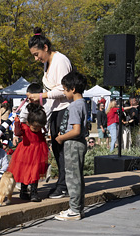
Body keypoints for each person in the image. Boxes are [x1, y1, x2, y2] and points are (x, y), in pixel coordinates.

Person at [27, 27, 72, 199]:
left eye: (37, 54)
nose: (36, 58)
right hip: (55, 110)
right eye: (34, 55)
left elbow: (65, 89)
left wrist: (42, 95)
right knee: (57, 148)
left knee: (61, 148)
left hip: (65, 109)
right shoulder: (47, 62)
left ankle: (64, 185)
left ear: (45, 47)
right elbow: (50, 91)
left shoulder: (60, 61)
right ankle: (62, 183)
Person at [54, 70, 87, 221]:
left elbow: (76, 130)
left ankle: (74, 210)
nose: (64, 93)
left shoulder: (74, 106)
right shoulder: (83, 103)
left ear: (72, 89)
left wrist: (61, 138)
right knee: (78, 176)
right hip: (79, 144)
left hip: (73, 144)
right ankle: (78, 207)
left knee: (72, 177)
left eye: (65, 90)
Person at [7, 103, 48, 202]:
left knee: (35, 172)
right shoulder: (24, 127)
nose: (37, 129)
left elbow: (42, 136)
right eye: (35, 128)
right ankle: (23, 191)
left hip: (38, 151)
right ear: (29, 123)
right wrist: (16, 123)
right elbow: (17, 133)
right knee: (24, 171)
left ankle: (34, 191)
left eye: (39, 127)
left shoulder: (39, 127)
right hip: (26, 152)